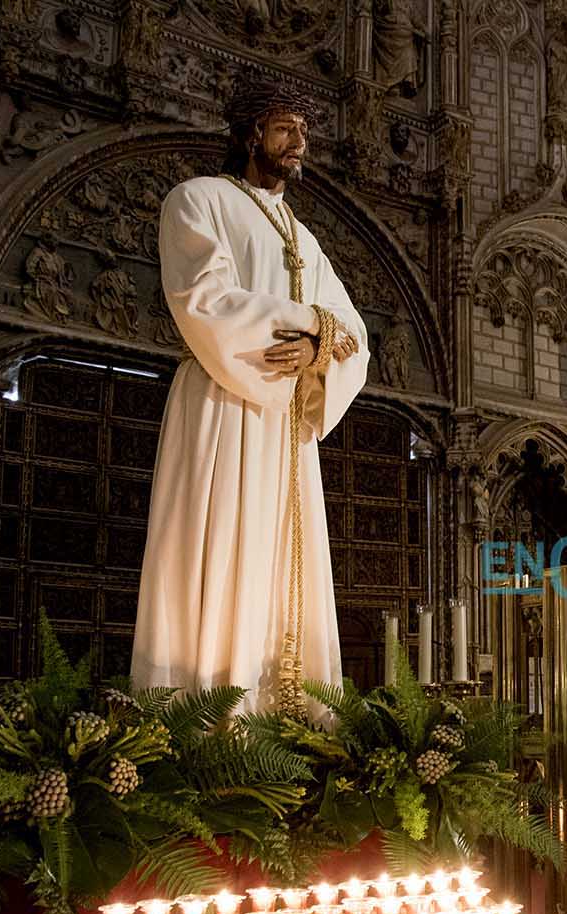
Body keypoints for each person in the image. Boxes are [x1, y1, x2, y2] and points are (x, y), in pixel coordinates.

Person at [132, 76, 369, 719]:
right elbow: (205, 299)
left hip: (286, 423)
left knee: (283, 560)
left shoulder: (305, 239)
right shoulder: (197, 200)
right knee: (217, 547)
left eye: (304, 131)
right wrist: (313, 324)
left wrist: (319, 345)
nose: (299, 143)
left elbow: (353, 332)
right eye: (286, 128)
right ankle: (212, 718)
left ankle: (292, 723)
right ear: (250, 133)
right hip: (222, 402)